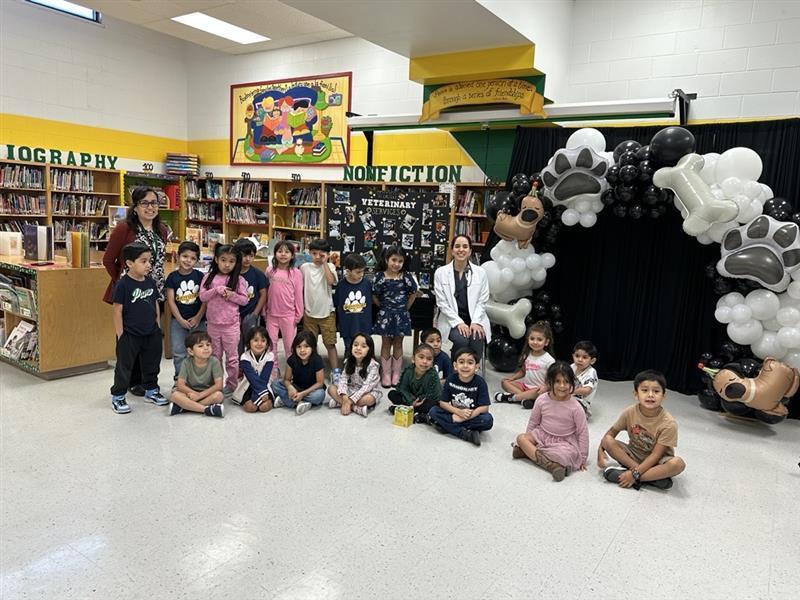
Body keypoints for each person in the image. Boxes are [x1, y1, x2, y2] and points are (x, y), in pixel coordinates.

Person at [103, 186, 170, 396]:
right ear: (135, 207)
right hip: (131, 292)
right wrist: (122, 282)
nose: (150, 207)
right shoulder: (124, 229)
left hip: (154, 290)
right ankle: (130, 381)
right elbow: (108, 260)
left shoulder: (162, 229)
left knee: (150, 336)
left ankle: (146, 381)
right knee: (129, 338)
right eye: (145, 203)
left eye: (154, 203)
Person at [598, 370, 686, 490]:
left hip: (658, 461)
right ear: (636, 394)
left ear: (663, 396)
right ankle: (652, 478)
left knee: (678, 464)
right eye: (644, 390)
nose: (650, 395)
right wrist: (600, 449)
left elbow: (656, 455)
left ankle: (633, 476)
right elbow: (611, 433)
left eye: (656, 391)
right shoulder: (630, 412)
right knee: (607, 440)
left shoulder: (669, 423)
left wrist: (634, 475)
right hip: (634, 455)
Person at [109, 242, 167, 414]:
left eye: (149, 261)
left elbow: (155, 304)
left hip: (151, 332)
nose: (148, 265)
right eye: (143, 261)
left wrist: (157, 326)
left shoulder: (150, 282)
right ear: (129, 263)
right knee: (124, 367)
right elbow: (117, 310)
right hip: (130, 334)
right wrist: (121, 335)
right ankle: (118, 396)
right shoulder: (123, 284)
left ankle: (151, 390)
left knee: (152, 364)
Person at [511, 361, 589, 481]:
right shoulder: (541, 400)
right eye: (557, 381)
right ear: (550, 382)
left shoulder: (576, 407)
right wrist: (529, 439)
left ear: (571, 383)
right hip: (542, 434)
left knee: (565, 456)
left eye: (566, 382)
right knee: (521, 438)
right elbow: (533, 422)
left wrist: (582, 458)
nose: (562, 386)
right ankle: (551, 466)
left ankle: (528, 453)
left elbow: (582, 432)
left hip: (564, 441)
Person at [199, 244, 248, 395]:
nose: (227, 264)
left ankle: (232, 384)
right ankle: (217, 384)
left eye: (231, 261)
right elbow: (202, 296)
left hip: (231, 326)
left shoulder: (238, 279)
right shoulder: (208, 277)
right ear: (216, 260)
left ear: (236, 262)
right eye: (223, 260)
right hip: (212, 325)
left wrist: (232, 295)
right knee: (214, 357)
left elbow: (244, 300)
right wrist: (216, 290)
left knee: (232, 358)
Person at [433, 235, 491, 362]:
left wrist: (475, 322)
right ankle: (455, 370)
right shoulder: (441, 273)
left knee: (477, 336)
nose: (461, 250)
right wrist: (458, 322)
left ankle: (473, 369)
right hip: (451, 320)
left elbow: (482, 301)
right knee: (461, 339)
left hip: (475, 318)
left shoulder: (480, 273)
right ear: (452, 250)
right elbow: (442, 303)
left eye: (465, 246)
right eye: (457, 246)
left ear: (470, 251)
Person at [426, 347, 493, 446]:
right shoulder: (450, 379)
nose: (465, 366)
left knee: (487, 420)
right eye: (461, 362)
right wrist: (458, 412)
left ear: (476, 367)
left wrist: (464, 418)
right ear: (455, 365)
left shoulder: (480, 382)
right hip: (455, 412)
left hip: (472, 415)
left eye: (470, 363)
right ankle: (465, 434)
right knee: (433, 411)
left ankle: (447, 426)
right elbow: (443, 403)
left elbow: (484, 407)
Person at [373, 245, 418, 386]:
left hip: (401, 315)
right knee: (386, 343)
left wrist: (405, 308)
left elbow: (413, 293)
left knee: (398, 343)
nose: (396, 264)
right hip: (385, 314)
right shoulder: (379, 276)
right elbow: (374, 295)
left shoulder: (406, 276)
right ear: (387, 260)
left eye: (400, 261)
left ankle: (396, 373)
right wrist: (383, 307)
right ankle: (386, 373)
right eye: (394, 260)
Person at [164, 240, 206, 380]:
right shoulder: (172, 277)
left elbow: (205, 299)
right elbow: (171, 301)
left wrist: (198, 317)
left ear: (197, 261)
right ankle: (180, 379)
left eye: (193, 258)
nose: (188, 260)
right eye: (185, 256)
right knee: (178, 352)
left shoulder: (200, 277)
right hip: (178, 321)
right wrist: (180, 319)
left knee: (200, 350)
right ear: (178, 256)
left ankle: (199, 379)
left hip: (198, 321)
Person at [300, 239, 339, 379]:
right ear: (309, 253)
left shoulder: (330, 266)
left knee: (330, 344)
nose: (317, 257)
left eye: (321, 254)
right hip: (309, 313)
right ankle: (311, 369)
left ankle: (335, 371)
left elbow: (331, 281)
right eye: (314, 253)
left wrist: (325, 263)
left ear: (327, 255)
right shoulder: (305, 267)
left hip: (327, 313)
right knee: (310, 344)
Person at [494, 321, 555, 409]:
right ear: (528, 339)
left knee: (540, 392)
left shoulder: (549, 360)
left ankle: (510, 398)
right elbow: (523, 371)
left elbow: (553, 379)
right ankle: (526, 398)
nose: (535, 342)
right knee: (504, 382)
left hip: (538, 390)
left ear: (546, 342)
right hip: (525, 387)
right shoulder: (527, 355)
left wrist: (546, 387)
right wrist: (512, 378)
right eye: (532, 339)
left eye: (539, 339)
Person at [167, 331, 224, 418]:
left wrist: (199, 395)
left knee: (218, 396)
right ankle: (206, 409)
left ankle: (185, 407)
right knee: (174, 396)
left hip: (207, 393)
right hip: (190, 393)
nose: (206, 348)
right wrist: (194, 394)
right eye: (200, 346)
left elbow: (218, 386)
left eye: (208, 345)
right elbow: (180, 385)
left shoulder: (214, 362)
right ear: (190, 351)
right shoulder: (186, 362)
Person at [264, 240, 303, 361]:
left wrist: (299, 315)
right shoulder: (270, 271)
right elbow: (266, 292)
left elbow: (298, 295)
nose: (283, 254)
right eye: (280, 251)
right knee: (271, 345)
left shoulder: (296, 273)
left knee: (290, 346)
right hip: (271, 315)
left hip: (289, 315)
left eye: (287, 252)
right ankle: (273, 369)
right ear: (275, 254)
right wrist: (264, 310)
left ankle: (290, 369)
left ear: (292, 255)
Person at [326, 333, 381, 418]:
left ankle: (340, 403)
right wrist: (345, 397)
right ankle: (355, 408)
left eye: (363, 346)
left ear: (369, 350)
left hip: (366, 392)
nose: (358, 348)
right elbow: (343, 379)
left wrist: (350, 400)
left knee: (370, 399)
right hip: (351, 389)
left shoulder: (373, 365)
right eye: (355, 345)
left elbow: (366, 387)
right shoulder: (349, 361)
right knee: (331, 388)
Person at [271, 331, 325, 415]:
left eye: (306, 346)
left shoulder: (317, 360)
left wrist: (303, 394)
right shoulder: (292, 360)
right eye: (299, 347)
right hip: (296, 387)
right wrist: (290, 387)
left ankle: (288, 401)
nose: (302, 350)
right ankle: (301, 402)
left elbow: (320, 383)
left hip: (311, 390)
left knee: (320, 395)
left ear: (313, 347)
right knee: (275, 384)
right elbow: (287, 380)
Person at [387, 343, 441, 423]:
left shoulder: (433, 374)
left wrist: (419, 400)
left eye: (429, 359)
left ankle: (407, 410)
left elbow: (434, 394)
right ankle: (414, 411)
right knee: (392, 394)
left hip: (423, 401)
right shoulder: (408, 370)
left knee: (432, 405)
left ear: (432, 362)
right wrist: (411, 401)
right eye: (421, 357)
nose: (425, 361)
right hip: (411, 398)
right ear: (413, 359)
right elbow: (402, 388)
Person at [333, 253, 372, 357]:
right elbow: (337, 303)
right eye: (358, 272)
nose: (361, 274)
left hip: (364, 325)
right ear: (348, 271)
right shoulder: (341, 286)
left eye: (363, 271)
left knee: (365, 351)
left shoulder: (367, 284)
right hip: (347, 326)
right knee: (349, 350)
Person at [234, 238, 268, 354]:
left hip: (251, 314)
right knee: (237, 345)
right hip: (233, 316)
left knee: (252, 343)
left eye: (251, 256)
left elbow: (263, 294)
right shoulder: (231, 273)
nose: (248, 259)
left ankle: (252, 364)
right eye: (244, 255)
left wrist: (255, 313)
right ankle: (239, 364)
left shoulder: (258, 274)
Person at [233, 326, 275, 413]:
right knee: (251, 408)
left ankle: (265, 400)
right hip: (248, 385)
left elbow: (265, 377)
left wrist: (262, 393)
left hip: (264, 384)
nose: (259, 343)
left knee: (264, 407)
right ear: (249, 342)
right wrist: (262, 394)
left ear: (267, 343)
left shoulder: (270, 356)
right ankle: (258, 399)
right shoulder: (244, 357)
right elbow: (251, 377)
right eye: (256, 340)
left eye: (263, 341)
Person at [571, 340, 599, 416]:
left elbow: (587, 390)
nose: (580, 360)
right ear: (573, 356)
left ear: (592, 361)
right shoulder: (572, 367)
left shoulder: (591, 372)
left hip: (582, 402)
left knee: (572, 411)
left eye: (584, 357)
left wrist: (570, 390)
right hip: (569, 396)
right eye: (577, 356)